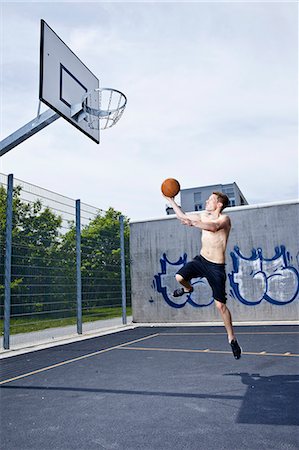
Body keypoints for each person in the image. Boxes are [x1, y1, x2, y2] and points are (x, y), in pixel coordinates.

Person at [164, 191, 241, 359]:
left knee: (220, 306)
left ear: (219, 204)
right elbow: (183, 216)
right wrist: (172, 201)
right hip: (202, 260)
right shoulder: (202, 215)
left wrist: (194, 223)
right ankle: (187, 289)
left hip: (216, 266)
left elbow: (213, 228)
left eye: (210, 200)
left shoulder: (224, 219)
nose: (207, 201)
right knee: (179, 277)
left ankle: (232, 338)